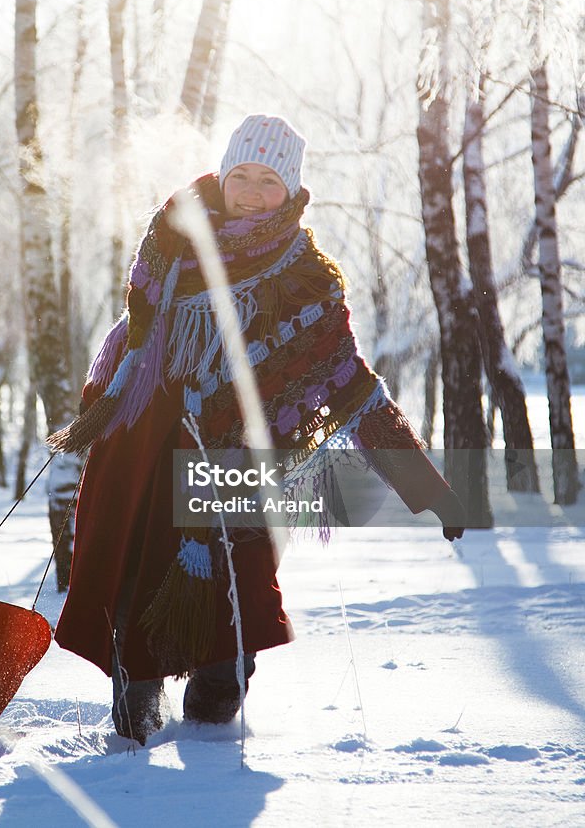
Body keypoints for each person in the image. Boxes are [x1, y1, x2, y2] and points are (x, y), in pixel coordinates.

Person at [48, 113, 466, 745]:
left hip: (237, 464)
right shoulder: (170, 242)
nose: (248, 189)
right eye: (238, 173)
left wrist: (427, 487)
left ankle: (214, 731)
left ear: (291, 188)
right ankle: (131, 722)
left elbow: (350, 386)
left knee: (232, 597)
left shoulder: (308, 281)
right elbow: (132, 342)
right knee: (133, 585)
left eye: (266, 178)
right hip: (142, 452)